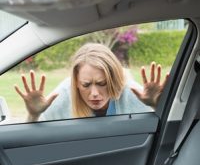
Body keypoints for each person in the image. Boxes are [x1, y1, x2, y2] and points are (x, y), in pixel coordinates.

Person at [14, 43, 169, 122]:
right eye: (86, 85)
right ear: (75, 82)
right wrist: (33, 115)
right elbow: (35, 137)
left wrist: (157, 105)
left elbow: (164, 132)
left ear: (114, 80)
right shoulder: (64, 94)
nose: (94, 93)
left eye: (102, 83)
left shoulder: (133, 93)